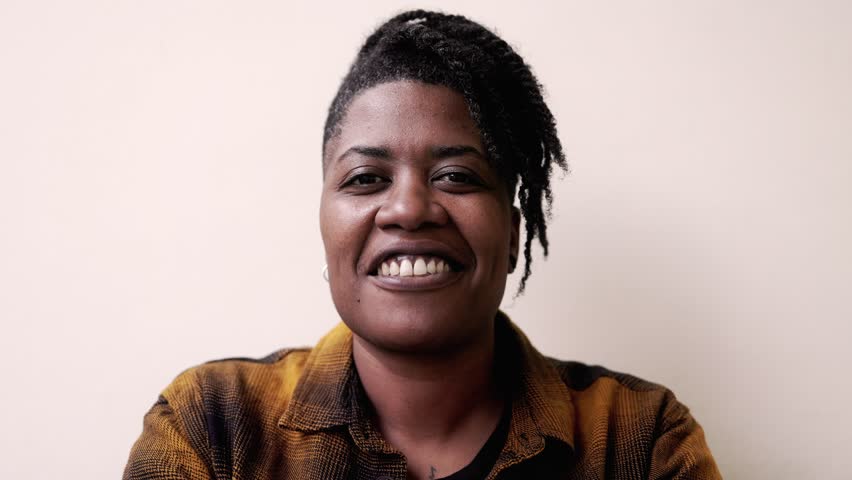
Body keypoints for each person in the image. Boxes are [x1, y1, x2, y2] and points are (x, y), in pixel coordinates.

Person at [124, 10, 721, 480]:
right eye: (366, 179)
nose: (409, 209)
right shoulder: (212, 427)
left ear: (512, 237)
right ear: (325, 229)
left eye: (457, 176)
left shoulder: (640, 441)